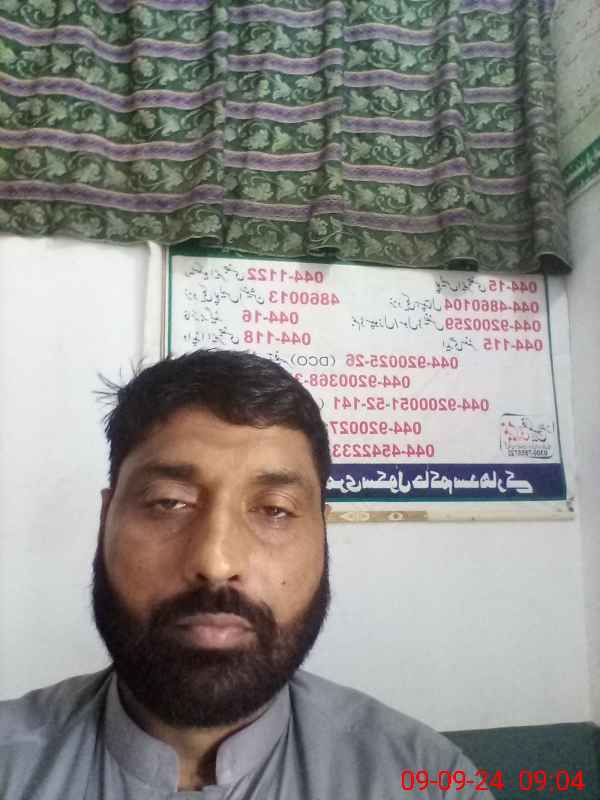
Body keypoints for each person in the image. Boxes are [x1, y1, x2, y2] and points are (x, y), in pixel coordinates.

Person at [0, 349, 492, 799]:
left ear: (323, 534)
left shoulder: (427, 780)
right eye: (169, 502)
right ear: (107, 518)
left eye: (275, 509)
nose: (216, 562)